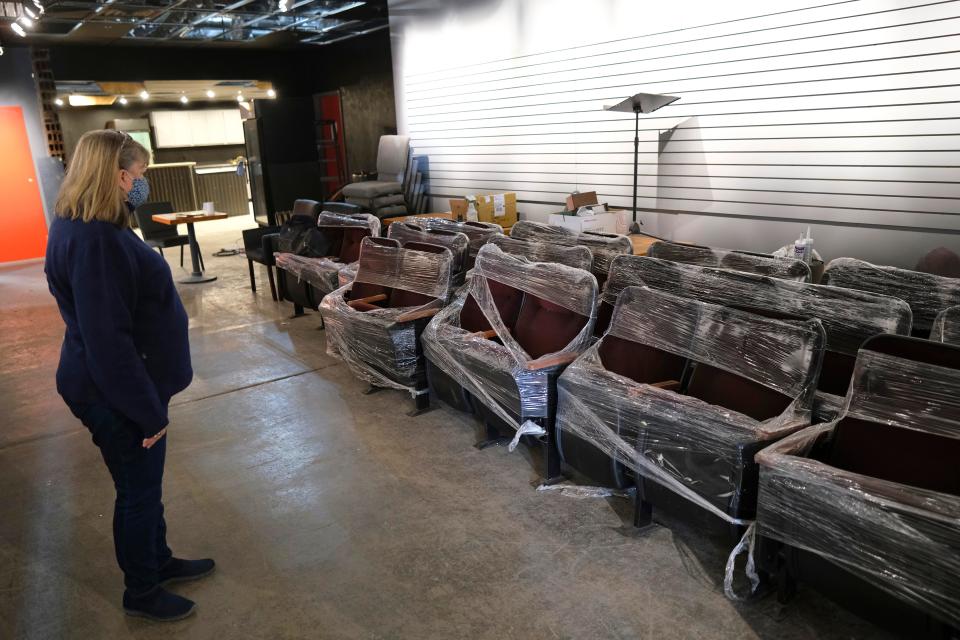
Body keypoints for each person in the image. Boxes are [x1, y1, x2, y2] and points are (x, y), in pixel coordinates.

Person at [45, 130, 213, 622]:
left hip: (117, 383)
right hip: (114, 392)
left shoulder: (85, 224)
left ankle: (157, 561)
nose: (142, 184)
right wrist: (146, 412)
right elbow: (108, 341)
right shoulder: (96, 240)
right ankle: (141, 590)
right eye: (139, 176)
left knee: (143, 487)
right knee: (137, 494)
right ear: (120, 176)